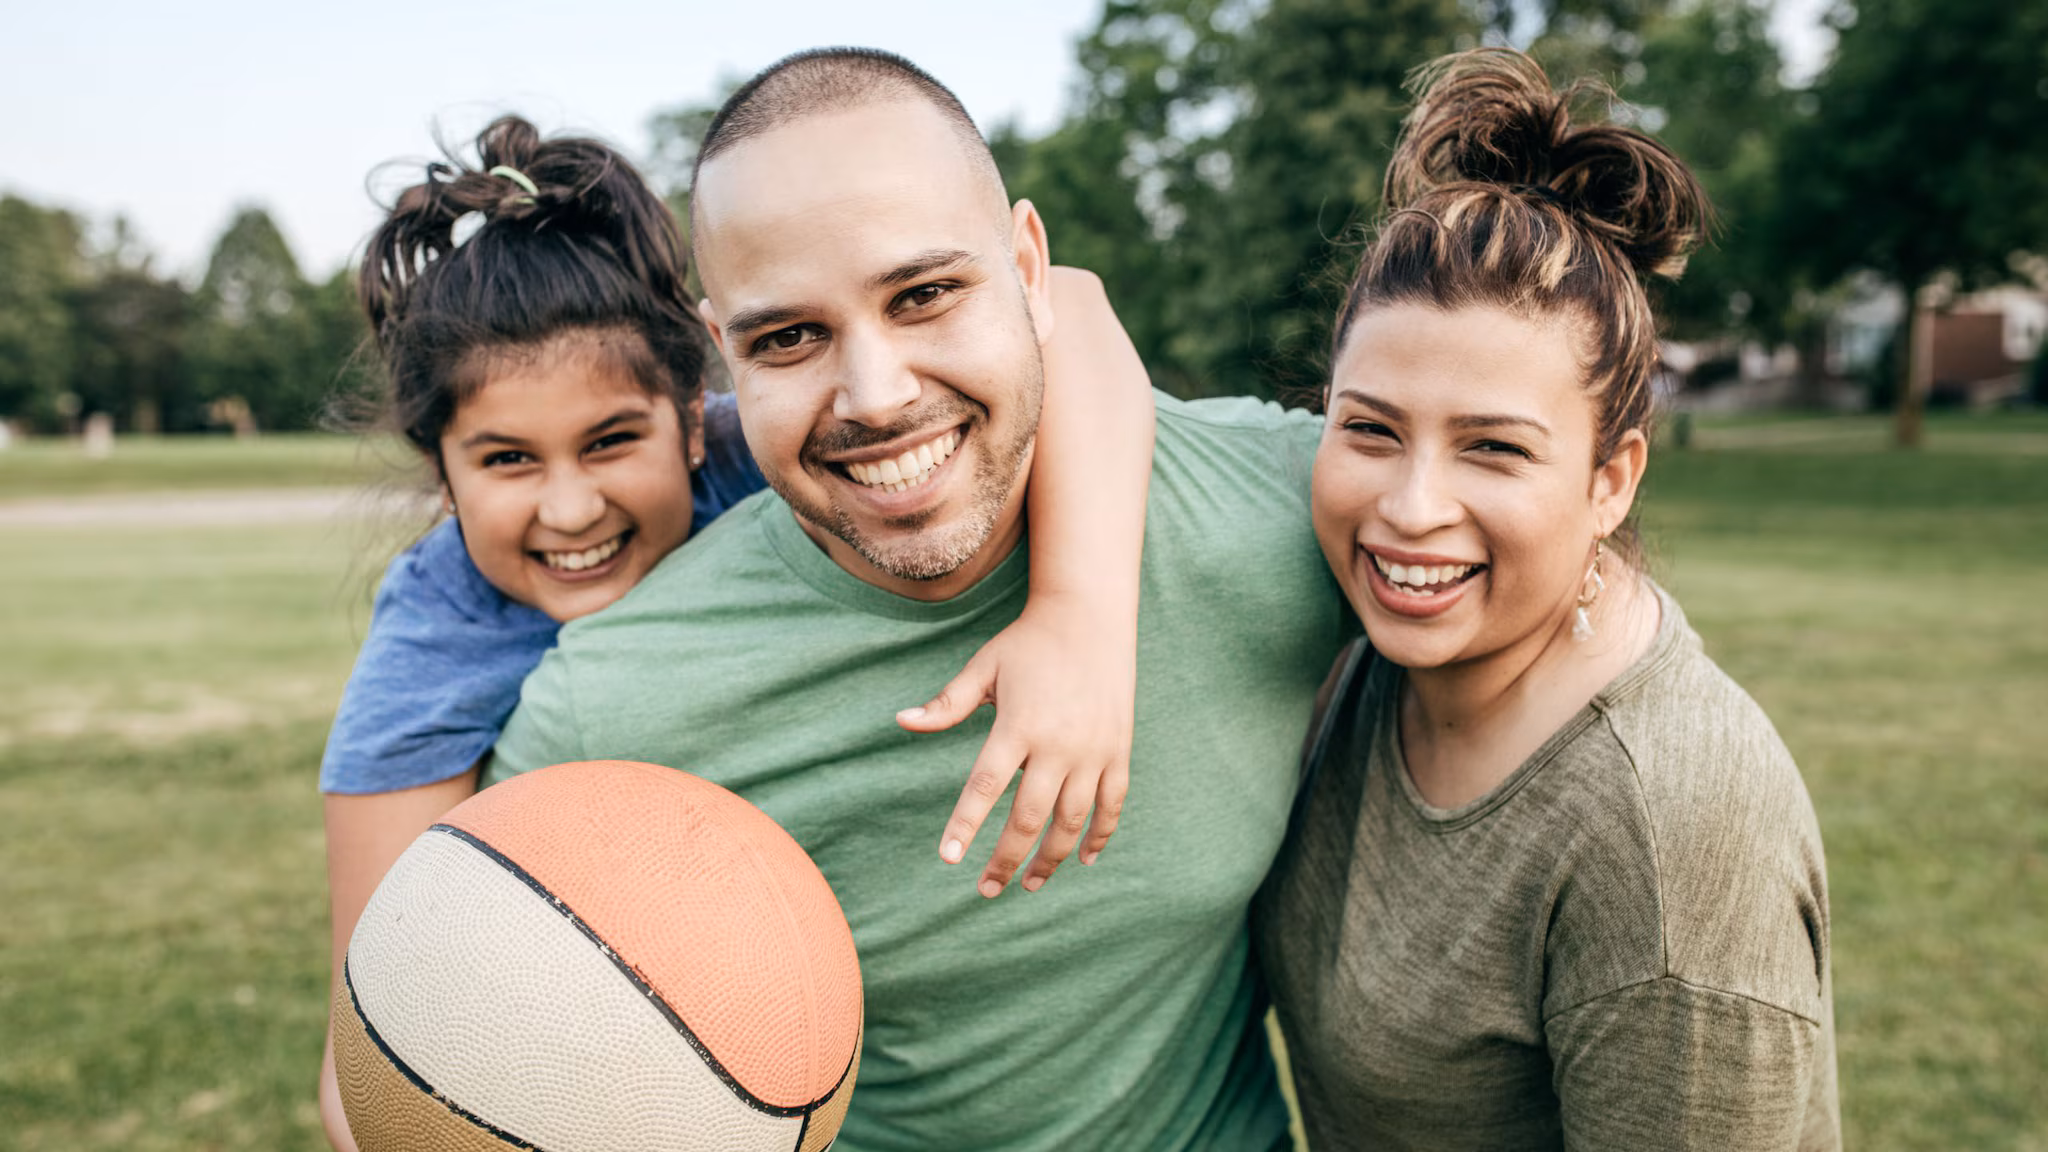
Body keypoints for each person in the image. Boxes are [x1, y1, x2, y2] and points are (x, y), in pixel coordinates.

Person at [488, 47, 1350, 1152]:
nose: (875, 394)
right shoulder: (615, 706)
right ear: (722, 353)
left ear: (1030, 269)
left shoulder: (1285, 508)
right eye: (788, 337)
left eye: (927, 294)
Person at [316, 114, 1163, 1150]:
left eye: (612, 441)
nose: (572, 507)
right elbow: (370, 1030)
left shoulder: (770, 452)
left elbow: (1066, 300)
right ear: (438, 468)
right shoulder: (431, 644)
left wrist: (1079, 614)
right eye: (506, 461)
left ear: (690, 411)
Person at [1254, 47, 1839, 1149]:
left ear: (1608, 479)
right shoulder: (1366, 641)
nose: (1409, 509)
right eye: (1369, 429)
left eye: (1492, 448)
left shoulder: (1669, 841)